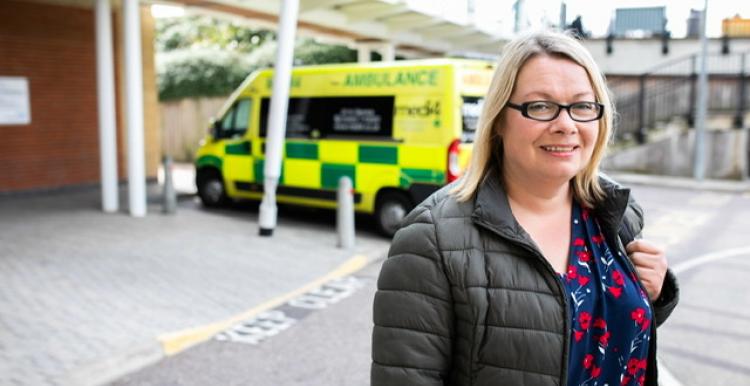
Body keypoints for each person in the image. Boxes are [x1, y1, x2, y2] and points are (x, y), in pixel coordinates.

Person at [371, 30, 679, 386]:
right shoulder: (431, 239)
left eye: (582, 106)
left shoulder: (615, 214)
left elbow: (599, 338)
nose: (566, 125)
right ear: (499, 118)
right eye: (541, 106)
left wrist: (655, 295)